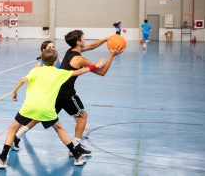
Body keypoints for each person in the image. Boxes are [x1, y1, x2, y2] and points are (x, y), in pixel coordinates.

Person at [12, 30, 123, 161]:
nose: (84, 39)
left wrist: (107, 39)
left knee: (42, 115)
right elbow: (102, 71)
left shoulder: (70, 51)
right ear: (78, 41)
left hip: (56, 90)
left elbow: (92, 46)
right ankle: (76, 146)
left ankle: (17, 136)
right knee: (82, 115)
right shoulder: (79, 58)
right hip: (66, 92)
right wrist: (112, 55)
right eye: (83, 37)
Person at [0, 48, 105, 169]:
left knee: (13, 128)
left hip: (29, 107)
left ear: (42, 59)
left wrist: (14, 92)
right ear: (56, 60)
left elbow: (22, 80)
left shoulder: (35, 70)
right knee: (59, 128)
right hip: (47, 109)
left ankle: (2, 158)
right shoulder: (60, 72)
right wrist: (96, 65)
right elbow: (79, 72)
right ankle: (77, 156)